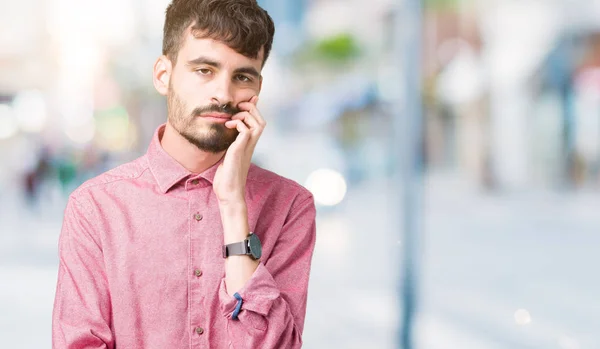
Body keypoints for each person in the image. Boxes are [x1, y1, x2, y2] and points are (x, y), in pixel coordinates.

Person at [51, 1, 317, 348]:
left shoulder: (290, 206)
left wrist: (234, 206)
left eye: (242, 76)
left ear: (257, 89)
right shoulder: (95, 208)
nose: (223, 94)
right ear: (164, 75)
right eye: (204, 70)